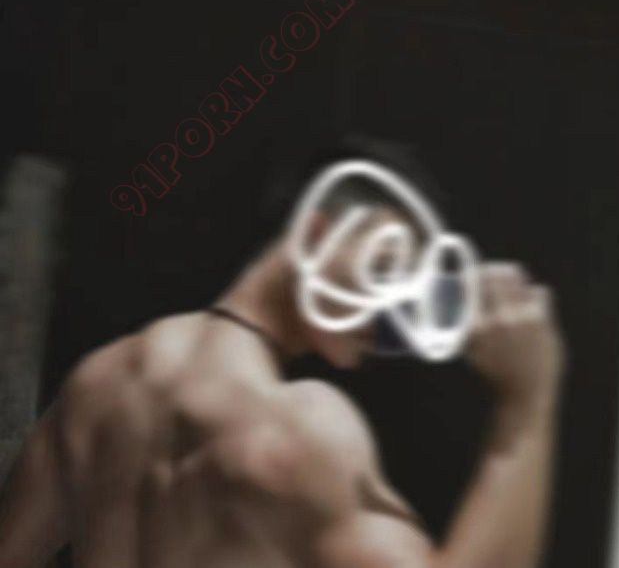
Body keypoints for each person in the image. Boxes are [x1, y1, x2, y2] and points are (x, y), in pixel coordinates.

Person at [0, 149, 565, 568]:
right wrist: (526, 405)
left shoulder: (97, 385)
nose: (390, 309)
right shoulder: (304, 430)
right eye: (385, 266)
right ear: (315, 235)